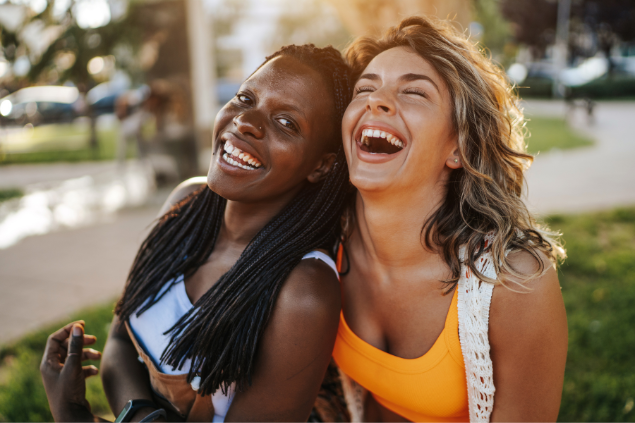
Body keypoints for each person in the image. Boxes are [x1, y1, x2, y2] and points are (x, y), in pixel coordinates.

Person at [40, 44, 353, 422]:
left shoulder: (303, 289)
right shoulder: (185, 203)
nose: (246, 121)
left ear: (320, 166)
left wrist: (73, 415)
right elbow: (120, 343)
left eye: (286, 123)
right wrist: (140, 415)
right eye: (245, 98)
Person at [332, 16, 568, 422]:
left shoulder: (513, 285)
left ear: (457, 148)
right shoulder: (319, 238)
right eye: (365, 88)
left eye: (414, 92)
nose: (376, 100)